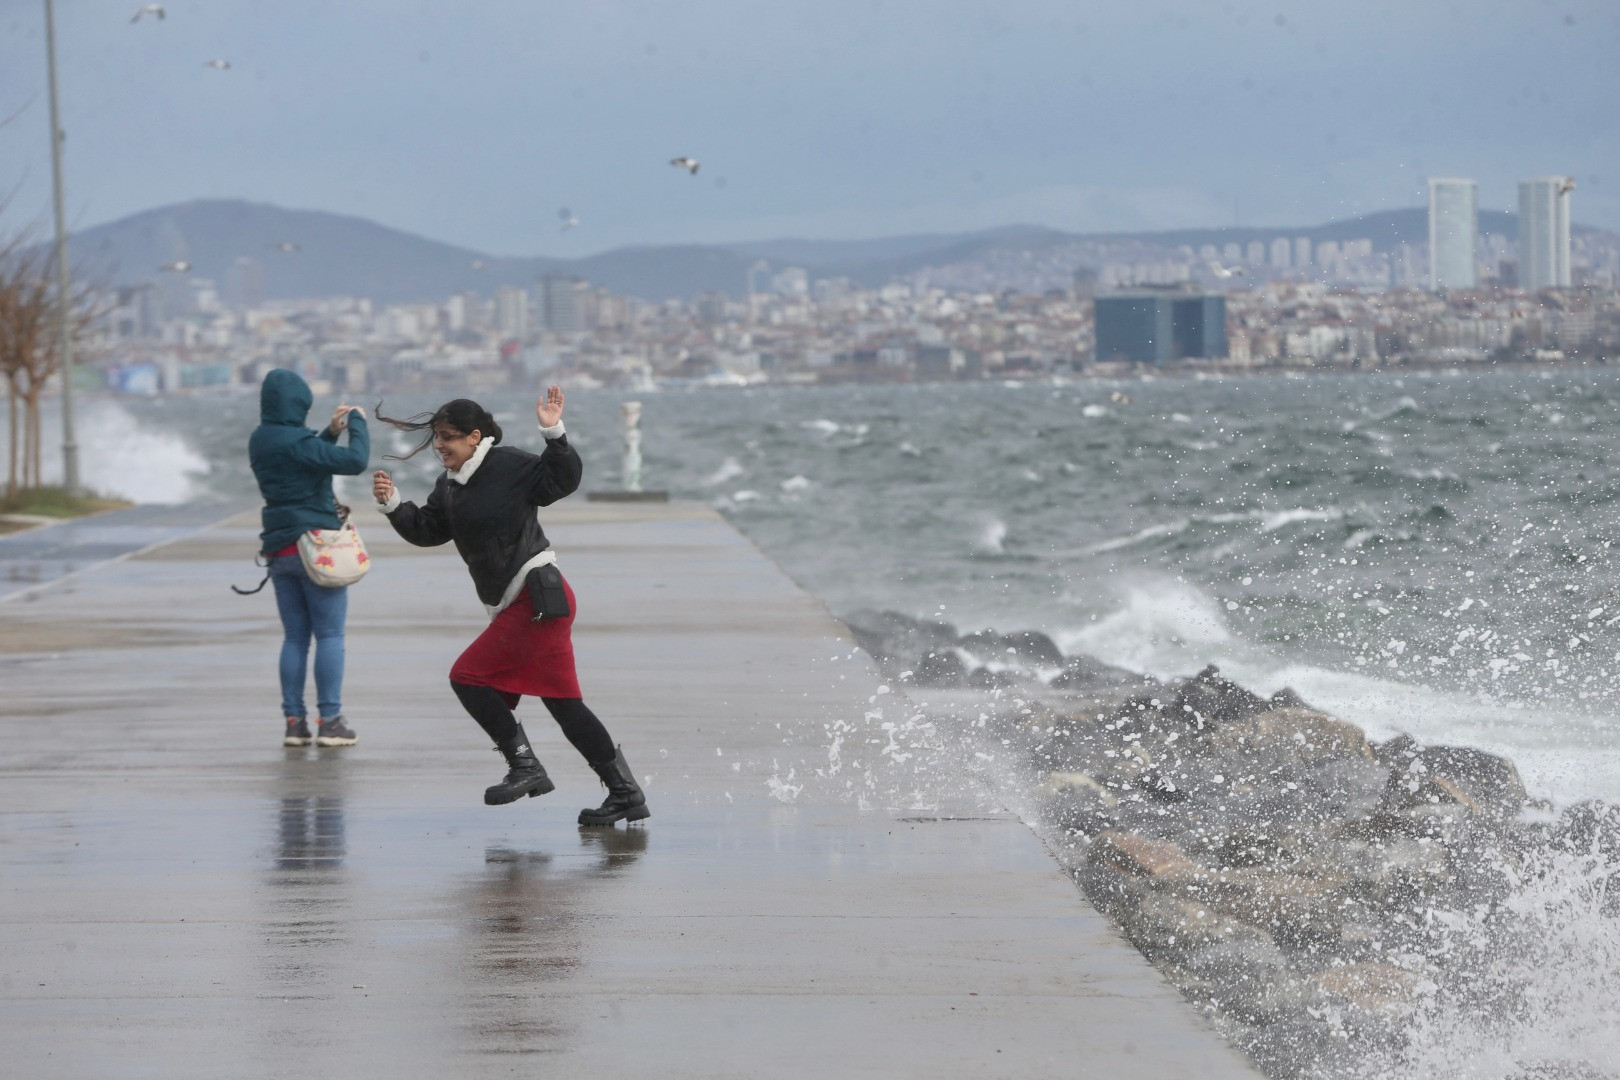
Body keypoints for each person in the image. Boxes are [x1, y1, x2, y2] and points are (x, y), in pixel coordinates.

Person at [372, 386, 649, 827]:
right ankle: (625, 794)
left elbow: (563, 479)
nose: (439, 445)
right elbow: (428, 530)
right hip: (522, 604)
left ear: (474, 436)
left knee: (468, 677)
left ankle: (526, 767)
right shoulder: (450, 486)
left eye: (446, 436)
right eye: (437, 437)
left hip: (536, 597)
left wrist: (553, 433)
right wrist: (392, 506)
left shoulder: (510, 465)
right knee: (565, 705)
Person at [248, 368, 371, 748]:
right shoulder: (298, 441)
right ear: (301, 403)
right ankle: (330, 721)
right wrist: (358, 425)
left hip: (279, 549)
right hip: (316, 549)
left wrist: (330, 433)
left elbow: (303, 460)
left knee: (295, 638)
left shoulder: (262, 439)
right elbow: (354, 461)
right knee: (330, 635)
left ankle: (294, 722)